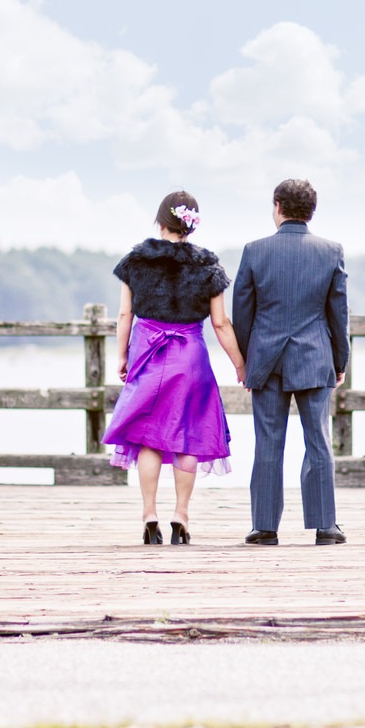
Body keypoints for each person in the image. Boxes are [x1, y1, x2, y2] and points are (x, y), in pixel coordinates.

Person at [102, 191, 247, 545]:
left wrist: (121, 356)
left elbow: (125, 314)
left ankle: (149, 513)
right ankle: (180, 516)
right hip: (190, 355)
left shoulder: (136, 261)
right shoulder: (208, 265)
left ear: (161, 221)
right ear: (191, 224)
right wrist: (240, 364)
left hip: (147, 351)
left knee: (148, 437)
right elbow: (221, 323)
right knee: (188, 436)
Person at [232, 178, 349, 546]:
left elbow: (242, 312)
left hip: (265, 356)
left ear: (278, 206)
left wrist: (248, 359)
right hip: (315, 355)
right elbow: (338, 314)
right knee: (318, 439)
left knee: (268, 441)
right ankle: (325, 526)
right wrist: (340, 360)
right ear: (310, 211)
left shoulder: (254, 250)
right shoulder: (331, 251)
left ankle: (264, 527)